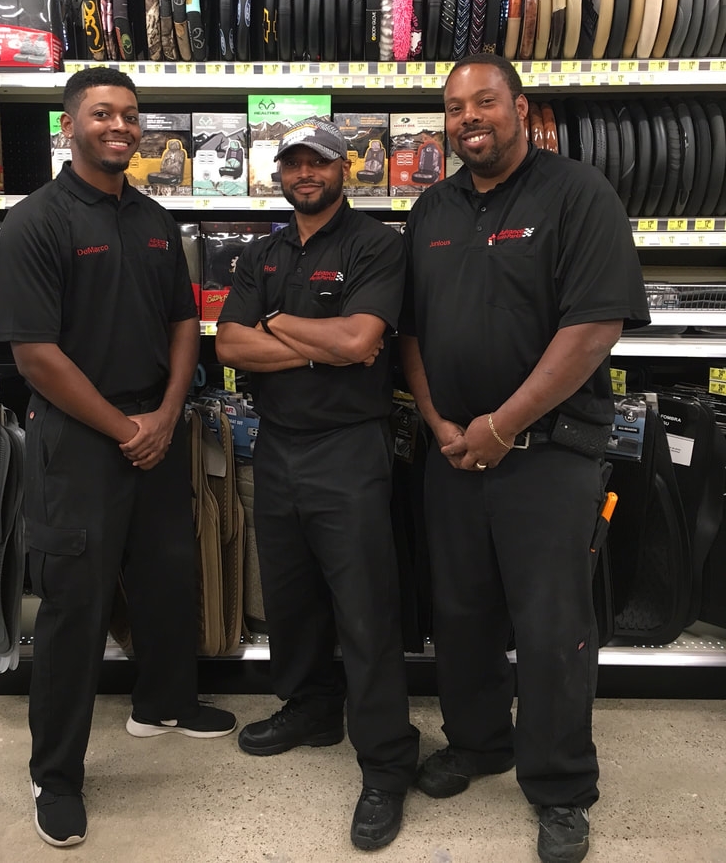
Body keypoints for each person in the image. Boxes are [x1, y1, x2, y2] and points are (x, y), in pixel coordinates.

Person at [399, 55, 649, 863]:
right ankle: (478, 743)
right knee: (460, 615)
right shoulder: (431, 209)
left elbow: (594, 328)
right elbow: (411, 332)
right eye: (455, 108)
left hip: (548, 454)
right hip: (451, 454)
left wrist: (502, 426)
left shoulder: (578, 194)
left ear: (520, 107)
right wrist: (438, 421)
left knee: (551, 629)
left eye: (485, 102)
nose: (469, 118)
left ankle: (561, 785)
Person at [0, 66, 235, 848]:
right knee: (75, 607)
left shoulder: (156, 220)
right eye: (102, 114)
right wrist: (125, 428)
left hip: (156, 425)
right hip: (80, 438)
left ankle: (164, 703)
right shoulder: (35, 222)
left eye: (130, 114)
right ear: (69, 126)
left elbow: (184, 322)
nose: (120, 126)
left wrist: (165, 413)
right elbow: (35, 355)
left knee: (167, 573)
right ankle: (55, 775)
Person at [216, 117, 419, 851]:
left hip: (349, 449)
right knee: (291, 595)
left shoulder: (376, 245)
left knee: (365, 609)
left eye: (320, 162)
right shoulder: (261, 253)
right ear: (279, 173)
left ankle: (387, 762)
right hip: (277, 446)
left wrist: (276, 325)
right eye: (293, 163)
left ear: (345, 170)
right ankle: (310, 708)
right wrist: (312, 345)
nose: (306, 173)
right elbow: (228, 343)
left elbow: (361, 341)